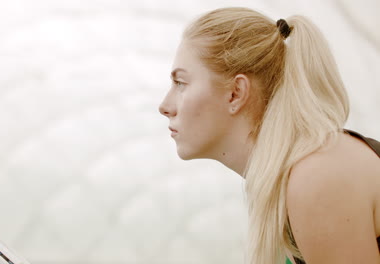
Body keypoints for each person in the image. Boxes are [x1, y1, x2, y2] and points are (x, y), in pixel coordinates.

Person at [158, 7, 380, 264]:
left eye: (181, 83)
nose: (164, 106)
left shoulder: (316, 177)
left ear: (236, 93)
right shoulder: (285, 181)